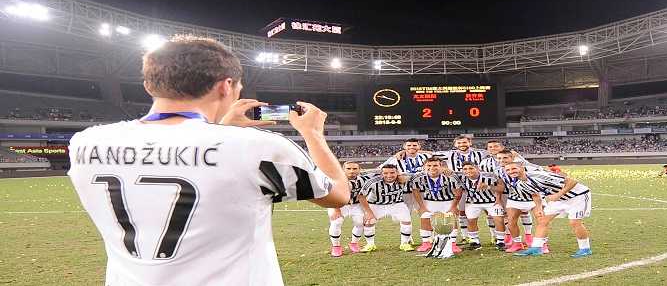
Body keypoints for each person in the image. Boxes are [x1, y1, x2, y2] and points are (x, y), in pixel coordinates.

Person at [67, 36, 350, 286]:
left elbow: (183, 152)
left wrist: (223, 128)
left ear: (149, 85)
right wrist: (313, 135)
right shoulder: (260, 148)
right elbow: (338, 194)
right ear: (226, 86)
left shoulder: (85, 143)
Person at [503, 162, 593, 258]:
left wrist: (558, 195)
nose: (511, 171)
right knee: (542, 220)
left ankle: (585, 249)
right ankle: (536, 248)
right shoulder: (520, 184)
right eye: (508, 170)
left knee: (574, 222)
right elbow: (535, 195)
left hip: (578, 196)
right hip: (559, 200)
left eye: (514, 168)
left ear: (522, 168)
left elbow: (572, 181)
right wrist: (538, 207)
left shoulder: (539, 175)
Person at [409, 157, 463, 254]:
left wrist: (454, 206)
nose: (432, 168)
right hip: (429, 201)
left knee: (452, 219)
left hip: (448, 200)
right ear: (424, 167)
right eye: (429, 165)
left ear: (441, 166)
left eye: (435, 165)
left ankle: (452, 243)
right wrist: (422, 206)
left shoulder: (451, 176)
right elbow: (415, 191)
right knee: (424, 217)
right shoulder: (418, 176)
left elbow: (458, 192)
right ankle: (426, 243)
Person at [357, 164, 414, 253]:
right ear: (381, 174)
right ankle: (370, 244)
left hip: (397, 203)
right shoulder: (373, 182)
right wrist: (368, 212)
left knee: (407, 221)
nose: (389, 175)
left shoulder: (404, 178)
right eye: (385, 173)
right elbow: (361, 196)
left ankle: (404, 243)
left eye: (392, 173)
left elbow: (421, 173)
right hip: (376, 204)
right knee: (369, 222)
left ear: (397, 173)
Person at [453, 162, 507, 251]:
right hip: (472, 202)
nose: (468, 171)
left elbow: (501, 188)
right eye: (465, 169)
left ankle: (500, 242)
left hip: (491, 202)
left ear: (477, 168)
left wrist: (488, 187)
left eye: (471, 168)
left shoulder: (490, 176)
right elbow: (449, 172)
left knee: (499, 219)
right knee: (471, 221)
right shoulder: (461, 177)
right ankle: (475, 242)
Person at [328, 161, 371, 257]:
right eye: (348, 169)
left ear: (359, 170)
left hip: (356, 205)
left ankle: (354, 243)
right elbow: (332, 195)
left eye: (355, 169)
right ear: (343, 170)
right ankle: (336, 246)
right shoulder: (336, 179)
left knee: (360, 223)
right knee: (336, 222)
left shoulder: (364, 179)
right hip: (338, 204)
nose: (352, 171)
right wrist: (336, 210)